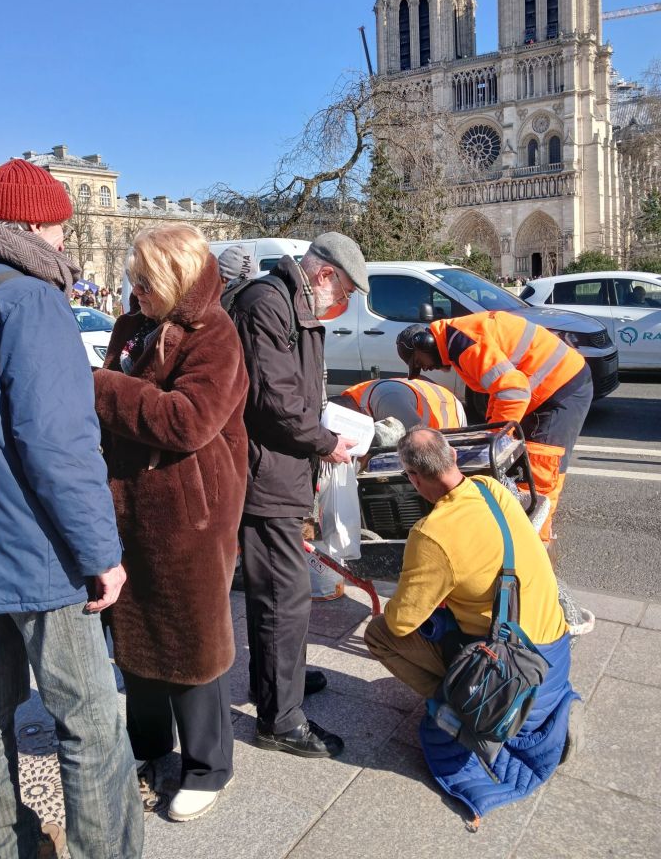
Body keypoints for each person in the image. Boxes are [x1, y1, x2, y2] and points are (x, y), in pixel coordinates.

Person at [0, 158, 143, 859]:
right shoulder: (32, 299)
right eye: (59, 227)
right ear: (32, 226)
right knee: (90, 720)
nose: (65, 240)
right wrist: (101, 554)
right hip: (34, 547)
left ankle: (3, 842)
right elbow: (59, 444)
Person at [94, 223, 249, 822]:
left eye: (146, 280)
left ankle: (209, 766)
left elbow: (188, 421)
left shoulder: (216, 332)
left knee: (192, 640)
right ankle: (149, 747)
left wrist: (103, 388)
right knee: (135, 635)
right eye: (133, 279)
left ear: (178, 278)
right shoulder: (132, 325)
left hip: (191, 516)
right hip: (128, 505)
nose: (135, 290)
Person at [365, 427, 580, 817]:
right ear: (453, 456)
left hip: (510, 679)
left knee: (378, 633)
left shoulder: (431, 534)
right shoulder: (490, 488)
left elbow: (400, 624)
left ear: (413, 478)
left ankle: (456, 710)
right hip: (554, 655)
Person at [230, 231, 368, 759]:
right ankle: (280, 720)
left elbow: (296, 392)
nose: (344, 304)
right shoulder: (269, 302)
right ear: (325, 274)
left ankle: (275, 681)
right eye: (346, 292)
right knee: (281, 596)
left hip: (282, 469)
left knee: (279, 594)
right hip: (265, 474)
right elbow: (275, 400)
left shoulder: (293, 303)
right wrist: (327, 442)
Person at [396, 311, 593, 541]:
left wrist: (496, 439)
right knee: (523, 464)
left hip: (561, 387)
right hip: (549, 387)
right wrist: (490, 431)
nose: (425, 369)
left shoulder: (463, 343)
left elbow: (513, 391)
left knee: (539, 471)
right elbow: (498, 392)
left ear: (426, 343)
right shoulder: (456, 340)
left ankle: (534, 544)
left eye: (419, 362)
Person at [341, 376, 467, 430]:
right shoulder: (354, 396)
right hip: (430, 399)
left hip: (447, 409)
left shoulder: (387, 401)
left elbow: (420, 437)